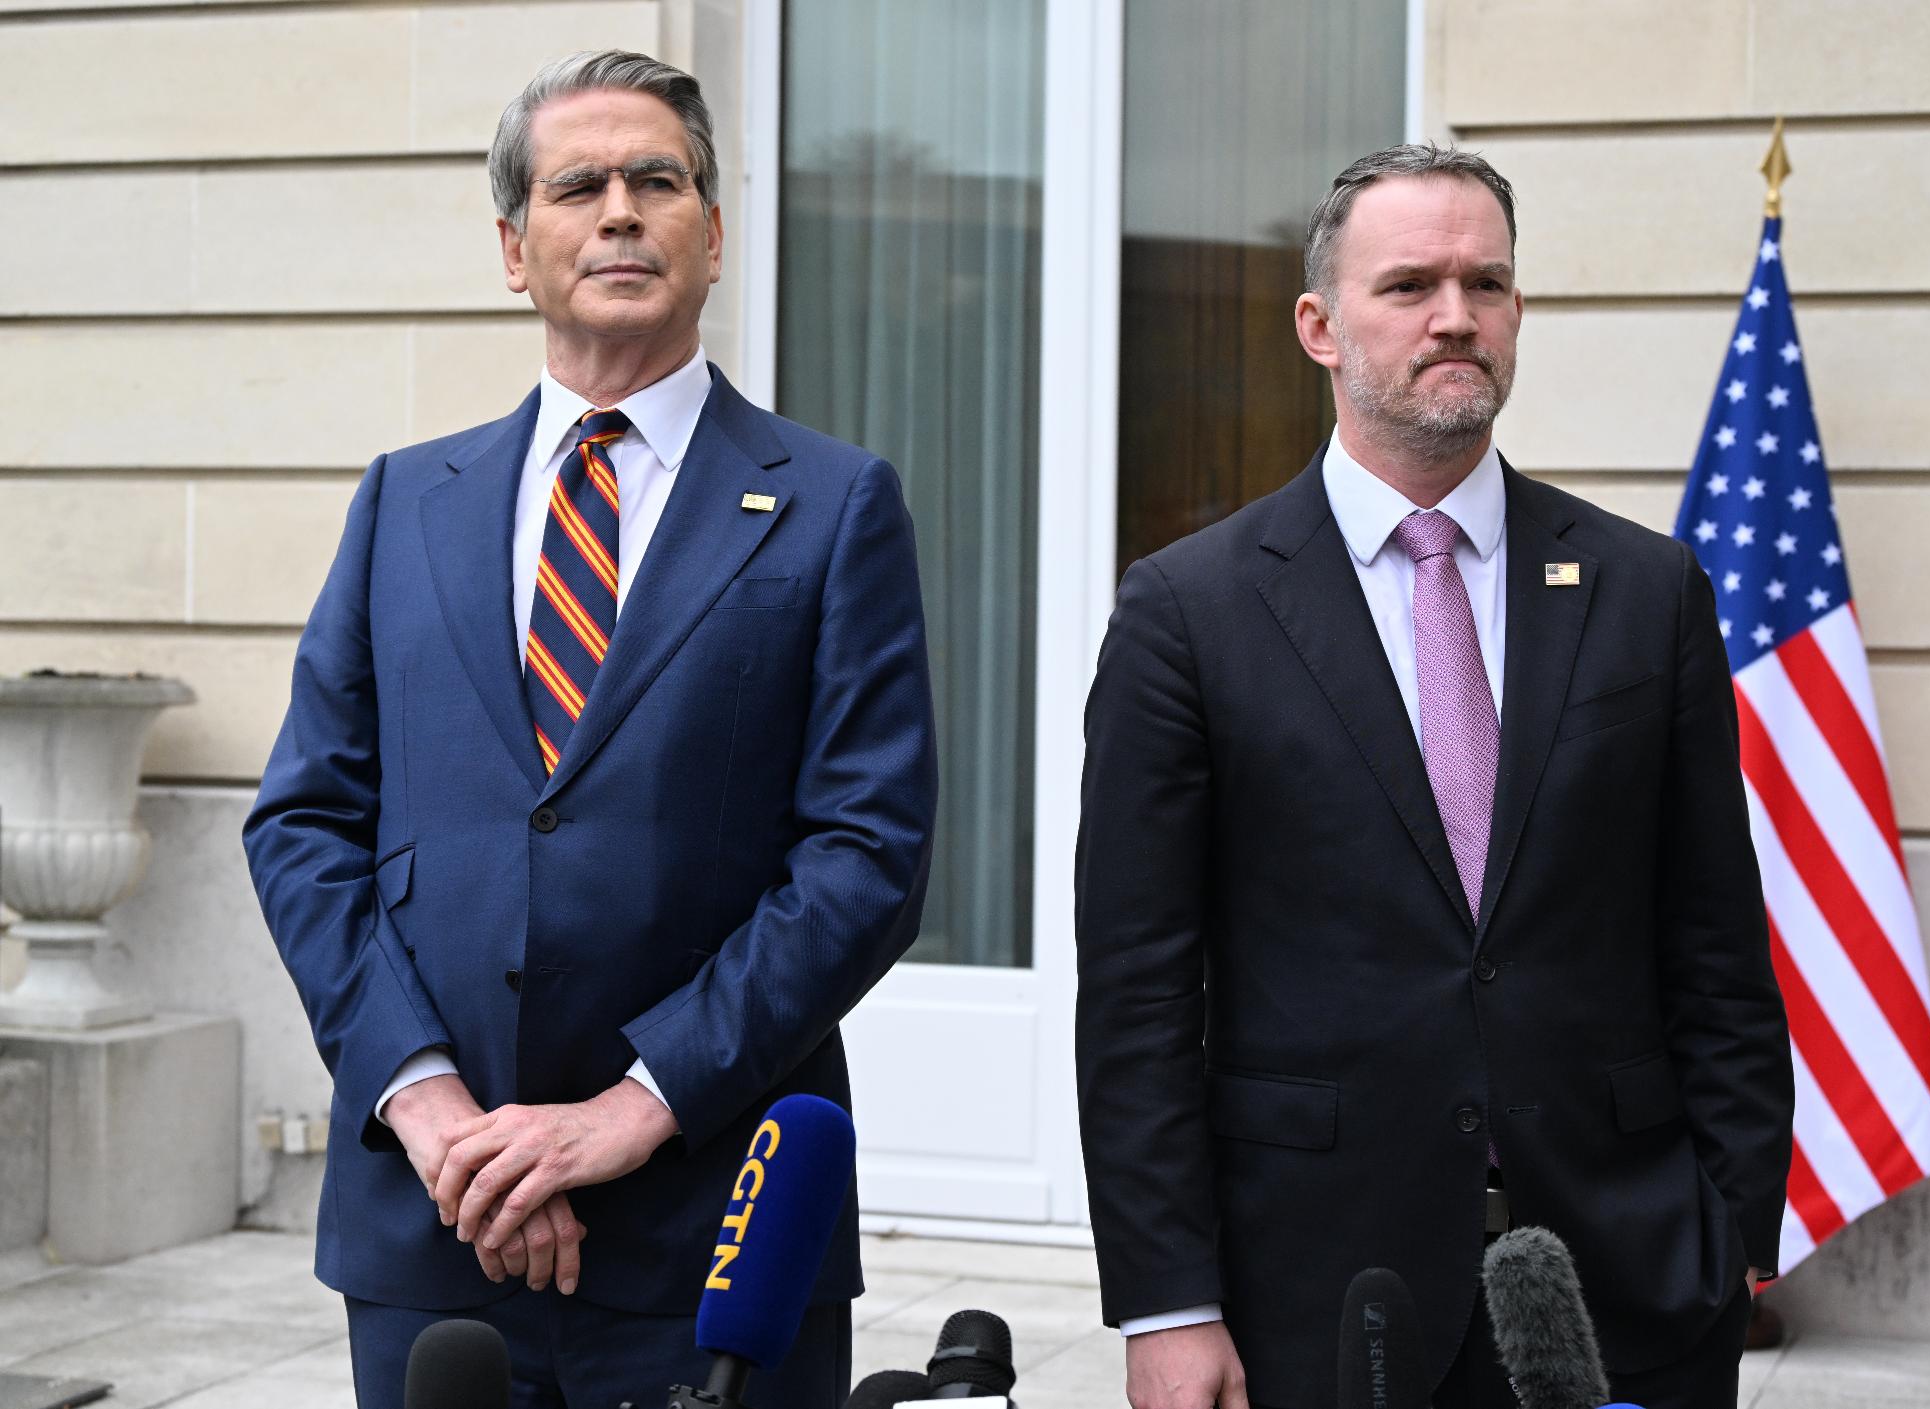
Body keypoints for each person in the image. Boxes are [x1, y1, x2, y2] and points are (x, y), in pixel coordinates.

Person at [244, 49, 936, 1409]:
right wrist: (437, 1113)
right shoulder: (403, 502)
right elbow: (305, 823)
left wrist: (624, 1115)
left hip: (715, 1231)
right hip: (432, 1231)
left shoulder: (836, 506)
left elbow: (866, 856)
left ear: (714, 232)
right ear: (517, 247)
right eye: (579, 185)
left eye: (657, 179)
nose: (620, 210)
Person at [1075, 143, 1793, 1408]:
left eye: (1486, 283)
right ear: (1318, 324)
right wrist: (1167, 1300)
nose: (1454, 315)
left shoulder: (1646, 592)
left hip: (1623, 1285)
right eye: (1408, 283)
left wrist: (1729, 1229)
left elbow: (1716, 943)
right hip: (1311, 1286)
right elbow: (1136, 996)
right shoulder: (1188, 612)